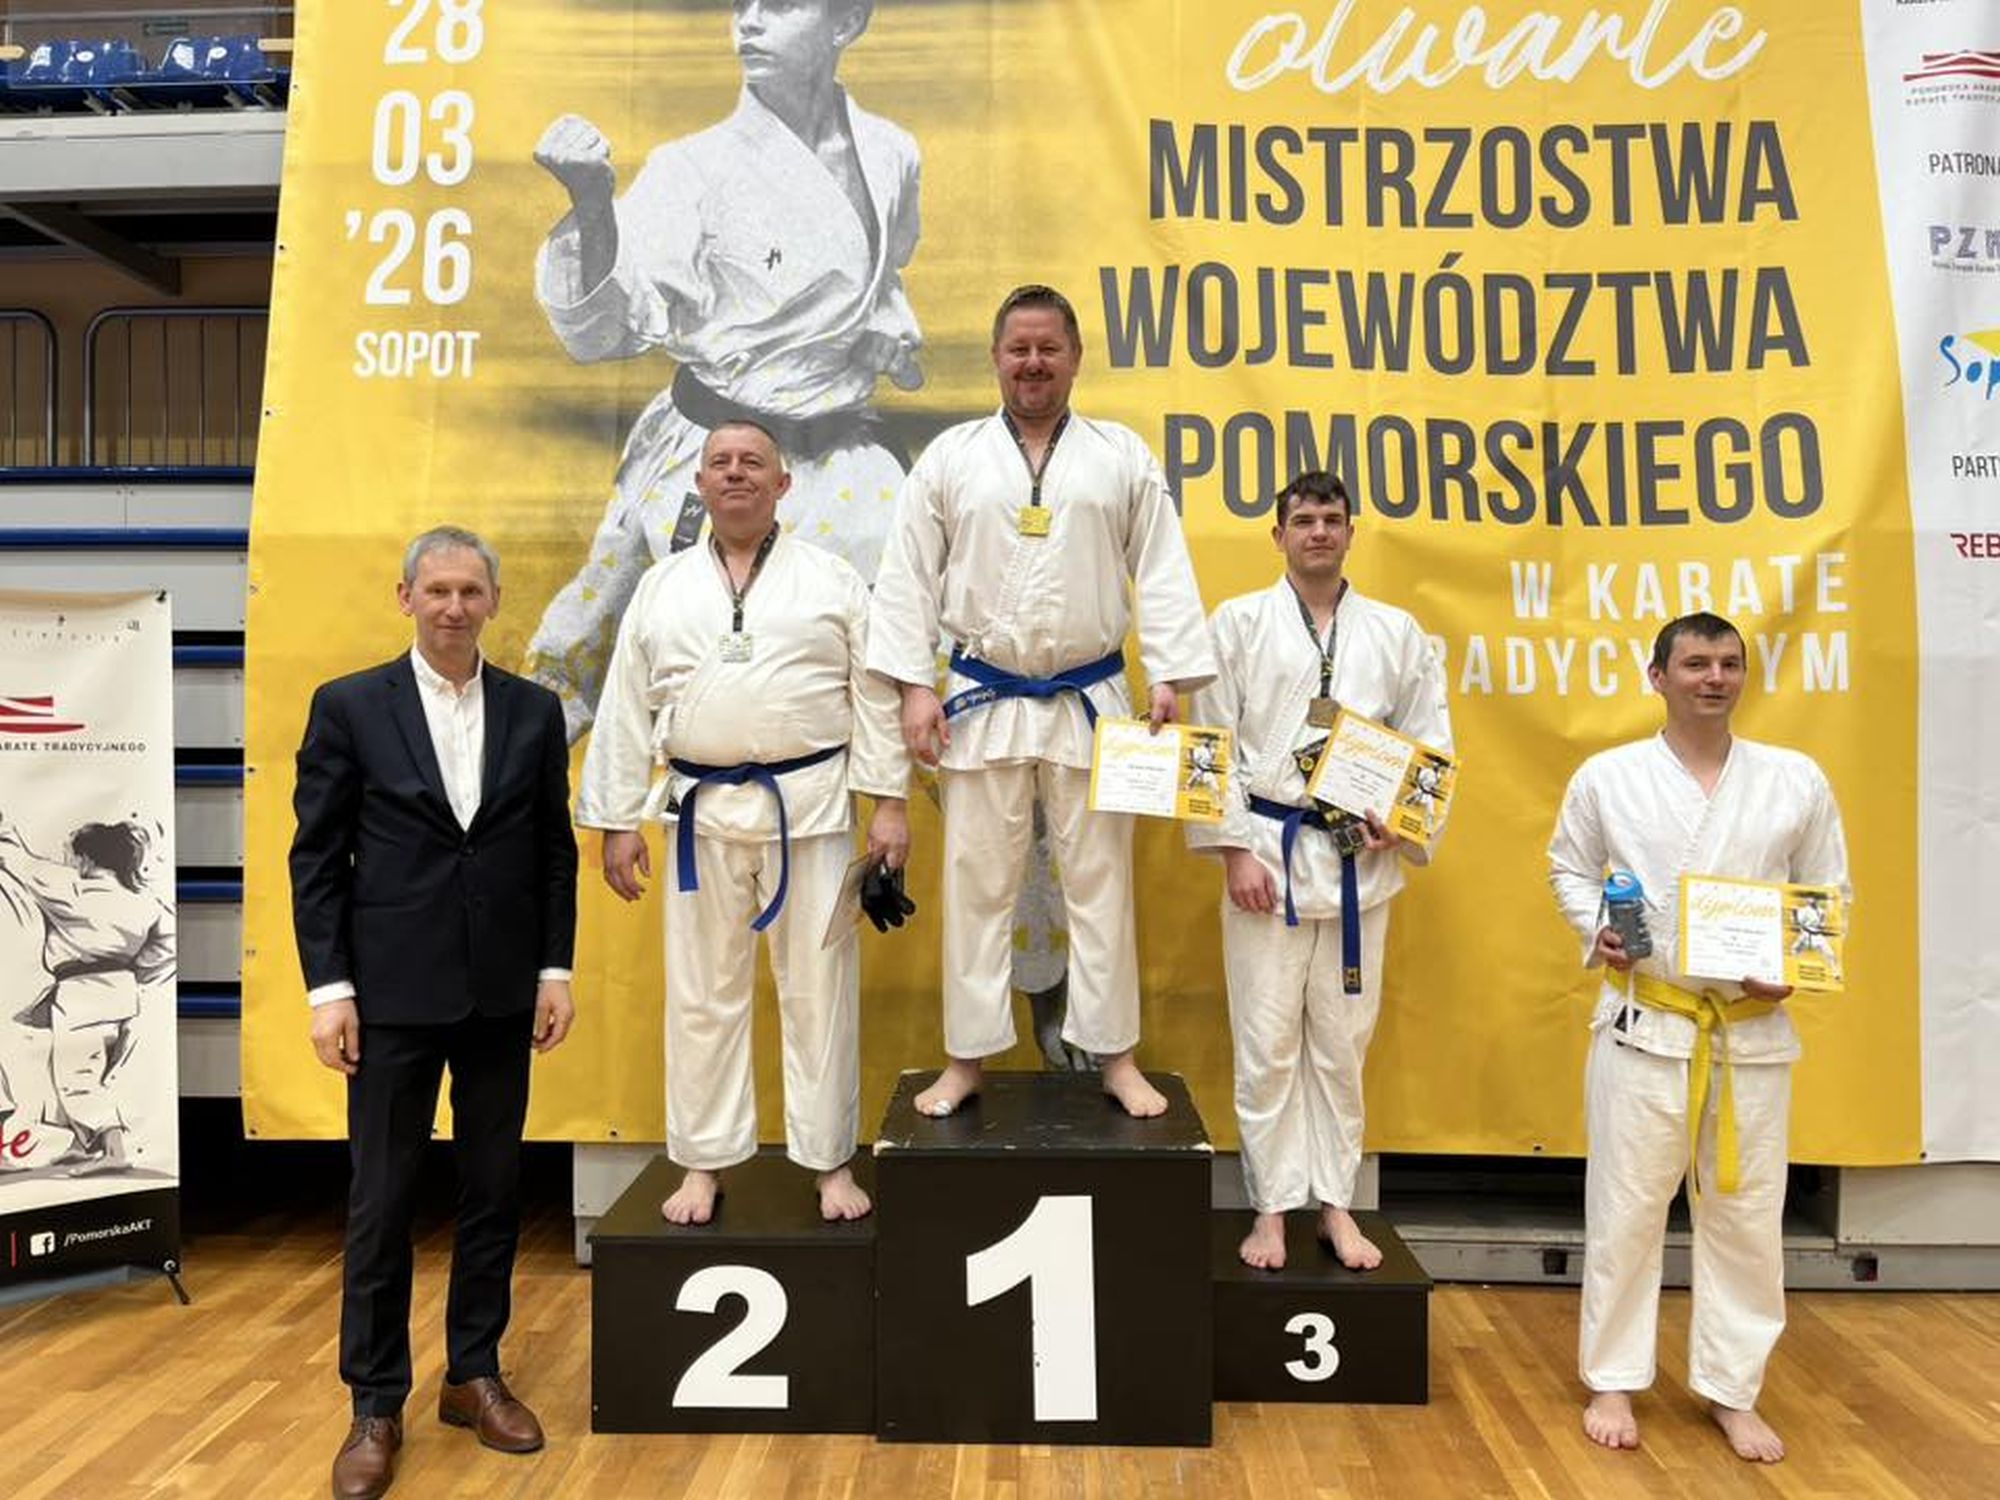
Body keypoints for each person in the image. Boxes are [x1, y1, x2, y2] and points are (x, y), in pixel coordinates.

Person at [528, 0, 921, 739]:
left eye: (780, 5)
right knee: (637, 657)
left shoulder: (892, 152)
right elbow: (611, 324)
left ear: (846, 23)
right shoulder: (692, 169)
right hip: (715, 450)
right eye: (742, 5)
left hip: (843, 455)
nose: (749, 22)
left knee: (887, 660)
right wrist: (594, 204)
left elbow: (881, 276)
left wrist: (881, 339)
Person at [867, 283, 1215, 1119]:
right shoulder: (950, 457)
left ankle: (1116, 1057)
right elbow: (908, 579)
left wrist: (1169, 674)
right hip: (981, 698)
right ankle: (966, 1060)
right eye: (1018, 349)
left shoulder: (1120, 455)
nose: (1033, 363)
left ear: (1075, 358)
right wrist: (915, 687)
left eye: (1048, 349)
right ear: (996, 357)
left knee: (1101, 886)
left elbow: (1162, 564)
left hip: (1089, 696)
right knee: (976, 887)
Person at [290, 527, 578, 1500]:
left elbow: (552, 854)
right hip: (389, 996)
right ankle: (375, 1404)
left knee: (493, 1190)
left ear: (494, 600)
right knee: (380, 1202)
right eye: (438, 589)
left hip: (501, 992)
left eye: (470, 590)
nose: (454, 606)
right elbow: (316, 860)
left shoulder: (534, 711)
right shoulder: (348, 706)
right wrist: (330, 991)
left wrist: (553, 969)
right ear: (405, 596)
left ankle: (472, 1374)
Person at [578, 419, 909, 1225]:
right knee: (702, 994)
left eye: (753, 462)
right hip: (699, 815)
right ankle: (703, 1161)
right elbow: (625, 704)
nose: (736, 474)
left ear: (783, 483)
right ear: (699, 483)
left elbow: (873, 696)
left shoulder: (832, 580)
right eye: (720, 463)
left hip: (814, 810)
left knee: (822, 991)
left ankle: (829, 1162)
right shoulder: (662, 586)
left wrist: (889, 803)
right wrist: (616, 819)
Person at [1547, 611, 1851, 1465]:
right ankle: (1613, 1377)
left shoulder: (1793, 779)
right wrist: (1598, 930)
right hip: (1646, 1021)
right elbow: (1568, 867)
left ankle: (1732, 1389)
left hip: (1750, 1033)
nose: (1714, 678)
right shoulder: (1609, 776)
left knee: (1748, 1218)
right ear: (1658, 677)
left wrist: (1797, 969)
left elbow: (1827, 893)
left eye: (1728, 664)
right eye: (1695, 664)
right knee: (1626, 1207)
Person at [1184, 470, 1451, 1271]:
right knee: (1266, 1044)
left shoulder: (1397, 632)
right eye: (1303, 520)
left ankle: (1336, 1203)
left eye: (1332, 519)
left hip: (1356, 863)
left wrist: (1401, 821)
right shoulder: (1237, 624)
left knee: (1341, 1046)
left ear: (1351, 532)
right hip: (1266, 855)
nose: (1319, 532)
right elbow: (1209, 742)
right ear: (1279, 535)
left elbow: (1431, 743)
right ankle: (1270, 1208)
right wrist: (1232, 849)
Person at [0, 818, 174, 1175]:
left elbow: (19, 861)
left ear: (87, 858)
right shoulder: (142, 902)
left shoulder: (72, 891)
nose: (67, 861)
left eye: (70, 854)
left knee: (77, 1077)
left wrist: (3, 828)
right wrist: (135, 969)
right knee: (84, 1070)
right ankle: (82, 1145)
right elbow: (167, 946)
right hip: (122, 991)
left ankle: (114, 1151)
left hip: (82, 995)